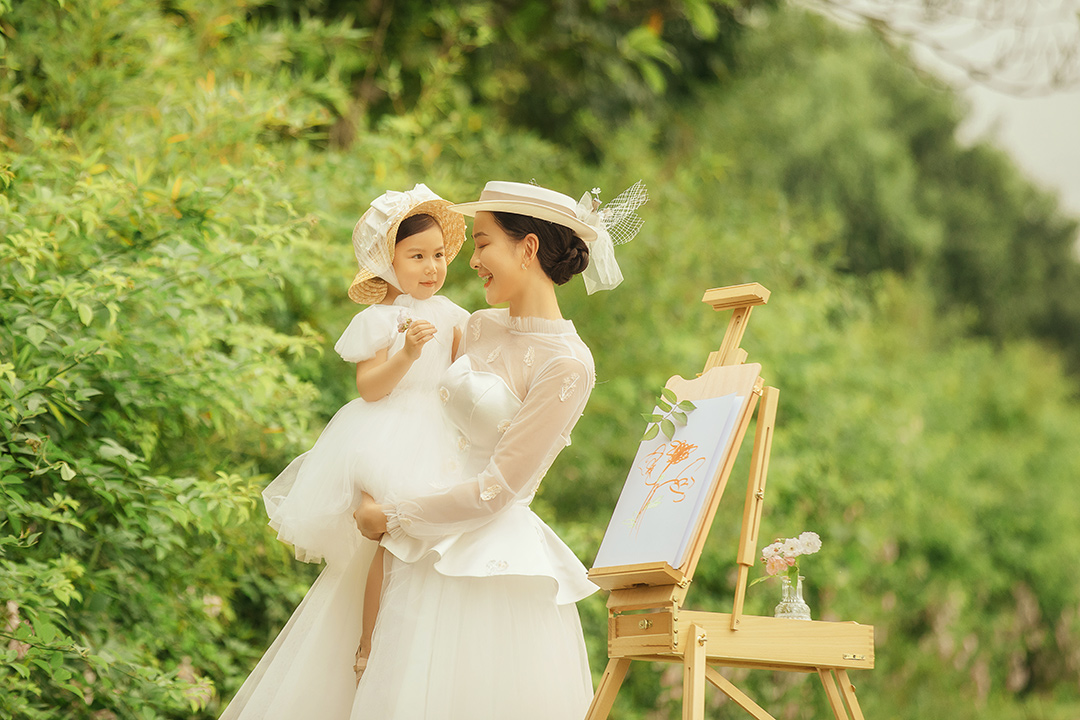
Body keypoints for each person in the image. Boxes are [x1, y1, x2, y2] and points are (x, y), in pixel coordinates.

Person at [352, 180, 647, 719]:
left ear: (527, 248)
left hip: (487, 566)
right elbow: (412, 407)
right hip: (418, 545)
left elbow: (497, 490)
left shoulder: (567, 364)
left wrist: (391, 516)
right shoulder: (478, 326)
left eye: (483, 243)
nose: (471, 260)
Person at [219, 184, 469, 720]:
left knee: (434, 538)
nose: (431, 267)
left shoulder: (453, 314)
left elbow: (460, 379)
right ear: (388, 260)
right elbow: (371, 388)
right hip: (388, 433)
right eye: (416, 256)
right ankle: (368, 646)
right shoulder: (381, 319)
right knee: (389, 536)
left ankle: (426, 638)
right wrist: (407, 352)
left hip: (441, 434)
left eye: (438, 255)